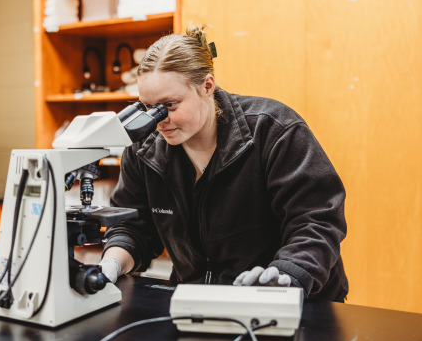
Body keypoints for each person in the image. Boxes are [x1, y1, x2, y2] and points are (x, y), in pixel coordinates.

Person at [98, 25, 348, 301]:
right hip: (198, 301)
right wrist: (112, 262)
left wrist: (286, 277)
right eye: (148, 108)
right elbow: (133, 225)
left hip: (294, 300)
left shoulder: (274, 130)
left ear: (207, 86)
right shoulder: (144, 149)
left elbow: (317, 221)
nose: (158, 121)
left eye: (169, 106)